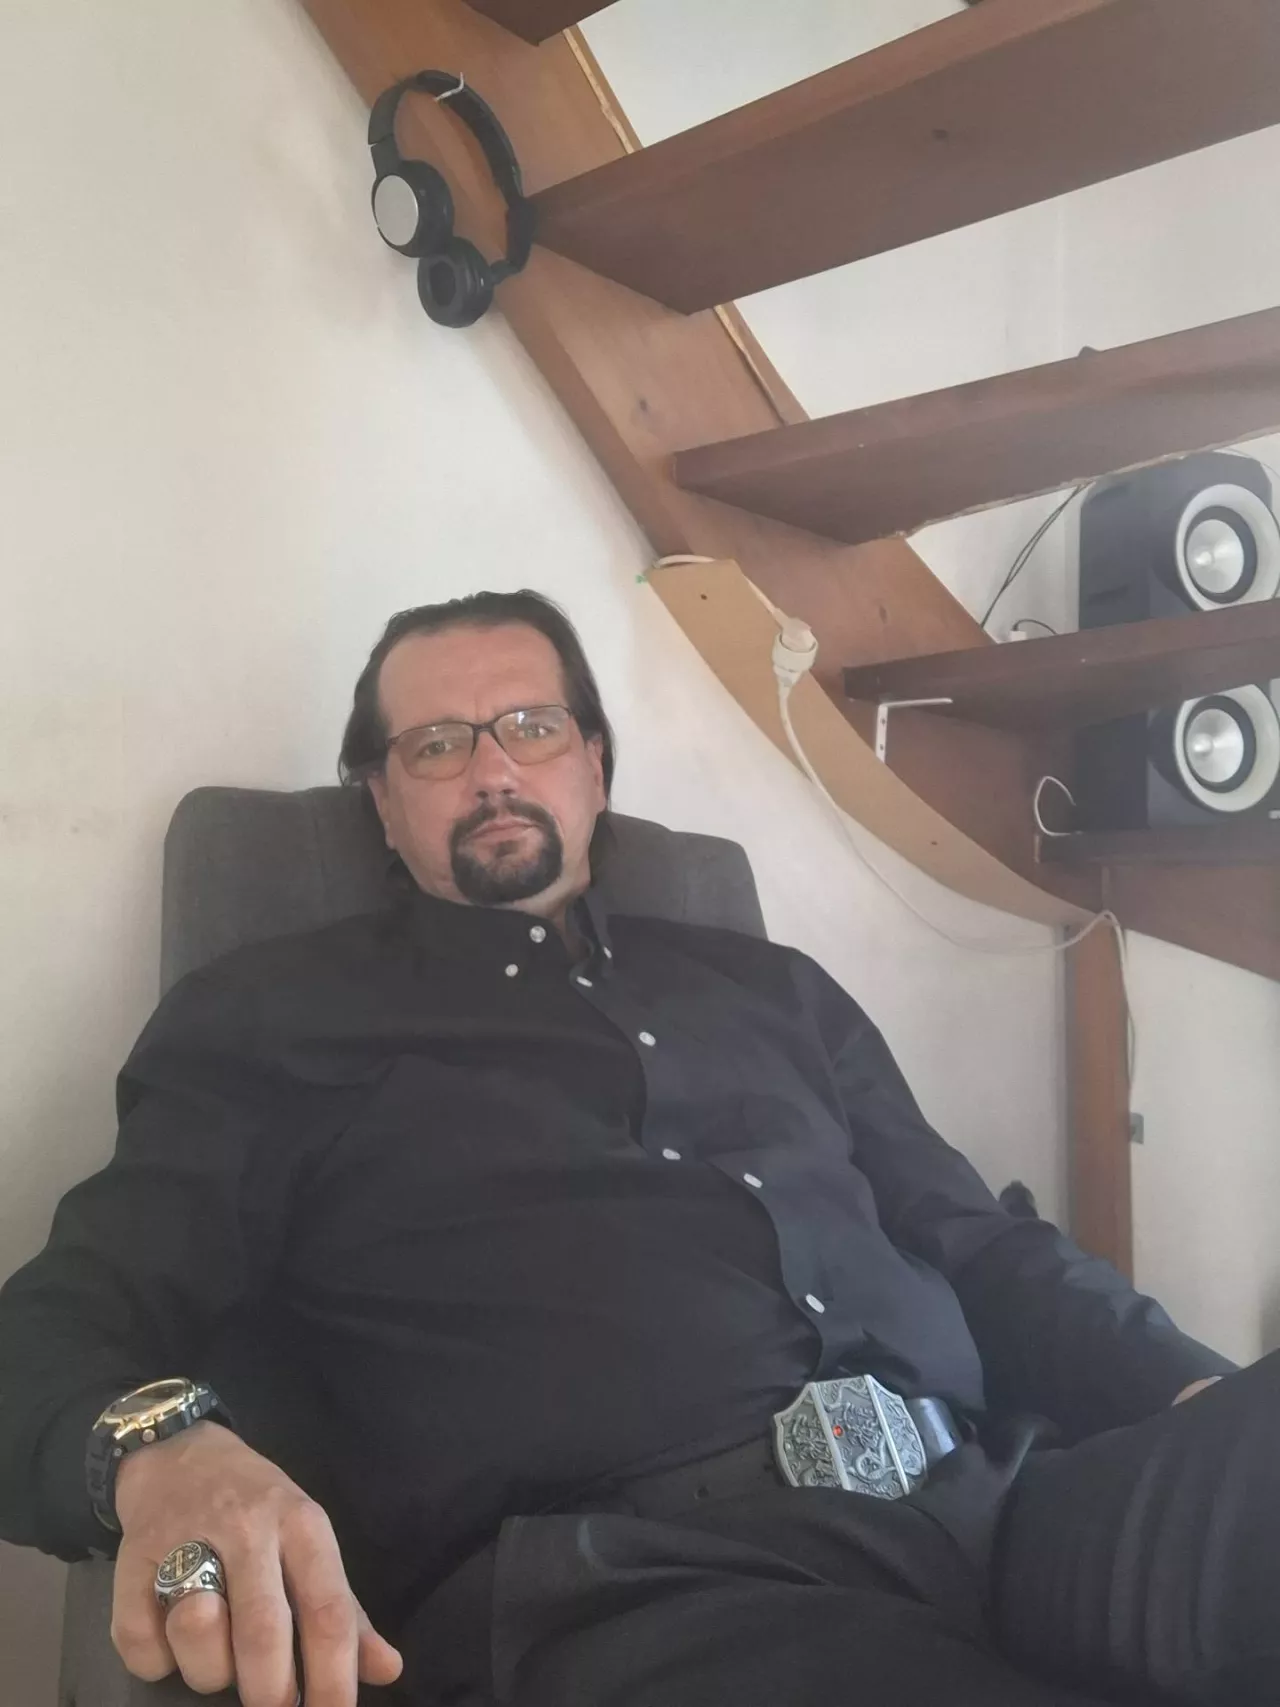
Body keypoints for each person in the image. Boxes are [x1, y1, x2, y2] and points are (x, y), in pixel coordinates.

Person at [0, 590, 1269, 1707]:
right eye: (436, 744)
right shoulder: (272, 1020)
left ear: (593, 766)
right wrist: (158, 1452)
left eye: (531, 727)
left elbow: (978, 1245)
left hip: (1000, 1500)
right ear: (381, 804)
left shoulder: (778, 991)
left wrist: (1182, 1388)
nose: (491, 769)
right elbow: (56, 1322)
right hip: (643, 1593)